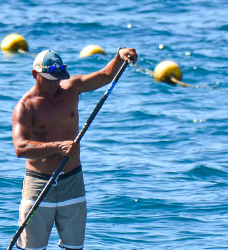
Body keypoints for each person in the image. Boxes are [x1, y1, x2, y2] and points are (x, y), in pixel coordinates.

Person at [11, 48, 136, 250]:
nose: (55, 83)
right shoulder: (25, 107)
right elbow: (20, 147)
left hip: (73, 182)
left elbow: (105, 75)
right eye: (49, 78)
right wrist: (57, 146)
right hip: (38, 185)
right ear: (35, 75)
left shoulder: (71, 89)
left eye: (58, 78)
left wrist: (119, 56)